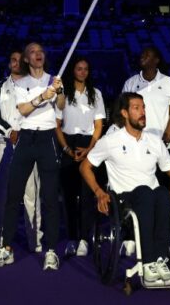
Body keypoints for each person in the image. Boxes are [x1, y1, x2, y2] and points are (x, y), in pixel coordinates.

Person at [80, 93, 170, 288]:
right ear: (124, 113)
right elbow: (85, 167)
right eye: (136, 108)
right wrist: (99, 192)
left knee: (160, 192)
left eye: (143, 107)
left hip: (152, 197)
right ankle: (148, 262)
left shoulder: (154, 141)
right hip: (124, 197)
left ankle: (160, 261)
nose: (143, 112)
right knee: (146, 192)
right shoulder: (111, 140)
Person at [0, 42, 65, 271]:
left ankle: (51, 251)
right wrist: (43, 96)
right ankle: (7, 249)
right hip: (25, 139)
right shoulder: (20, 83)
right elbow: (23, 109)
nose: (38, 54)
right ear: (26, 59)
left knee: (50, 197)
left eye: (41, 51)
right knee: (13, 195)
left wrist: (59, 92)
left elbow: (61, 107)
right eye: (33, 52)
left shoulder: (54, 78)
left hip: (46, 139)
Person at [0, 50, 42, 252]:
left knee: (31, 195)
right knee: (3, 195)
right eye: (13, 60)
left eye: (20, 60)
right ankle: (0, 239)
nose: (16, 63)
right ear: (9, 63)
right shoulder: (0, 87)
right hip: (5, 144)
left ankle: (34, 239)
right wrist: (9, 131)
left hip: (29, 145)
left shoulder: (36, 87)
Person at [56, 57, 106, 257]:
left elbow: (99, 125)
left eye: (86, 69)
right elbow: (57, 126)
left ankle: (85, 239)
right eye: (79, 68)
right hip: (68, 145)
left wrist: (90, 149)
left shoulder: (96, 94)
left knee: (86, 196)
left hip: (89, 146)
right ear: (73, 71)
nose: (82, 72)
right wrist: (67, 149)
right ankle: (71, 238)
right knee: (69, 197)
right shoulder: (64, 94)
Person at [122, 46, 170, 163]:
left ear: (156, 60)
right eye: (142, 54)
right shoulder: (130, 83)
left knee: (163, 181)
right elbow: (123, 114)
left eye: (147, 55)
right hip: (137, 144)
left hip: (164, 145)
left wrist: (165, 142)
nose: (143, 56)